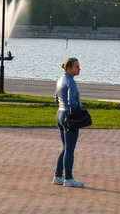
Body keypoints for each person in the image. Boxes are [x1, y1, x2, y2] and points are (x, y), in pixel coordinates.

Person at [53, 57, 85, 188]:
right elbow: (71, 100)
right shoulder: (71, 82)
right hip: (69, 116)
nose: (79, 69)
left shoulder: (60, 80)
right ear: (69, 68)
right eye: (76, 67)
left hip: (60, 114)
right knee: (70, 149)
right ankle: (69, 178)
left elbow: (56, 98)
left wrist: (63, 106)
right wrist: (79, 111)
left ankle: (58, 176)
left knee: (65, 147)